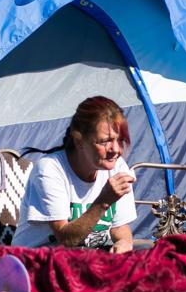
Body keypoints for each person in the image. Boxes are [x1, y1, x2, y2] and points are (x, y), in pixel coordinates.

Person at [12, 96, 137, 253]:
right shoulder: (50, 169)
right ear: (79, 142)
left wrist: (124, 242)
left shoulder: (117, 166)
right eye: (105, 141)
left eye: (120, 140)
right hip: (37, 261)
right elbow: (66, 238)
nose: (116, 150)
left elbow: (119, 226)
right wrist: (104, 201)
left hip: (87, 259)